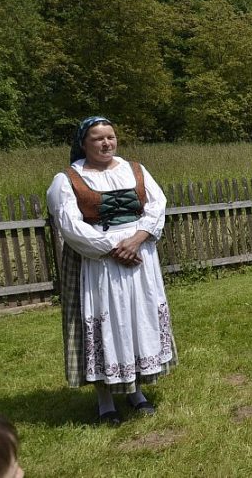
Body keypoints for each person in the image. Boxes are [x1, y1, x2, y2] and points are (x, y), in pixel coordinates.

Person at [46, 116, 178, 426]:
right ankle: (105, 400)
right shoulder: (66, 179)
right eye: (98, 138)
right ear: (83, 143)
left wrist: (136, 239)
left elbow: (157, 206)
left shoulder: (135, 169)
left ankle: (136, 392)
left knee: (136, 321)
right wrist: (114, 247)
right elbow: (69, 225)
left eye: (111, 137)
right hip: (99, 264)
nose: (107, 143)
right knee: (108, 323)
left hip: (139, 259)